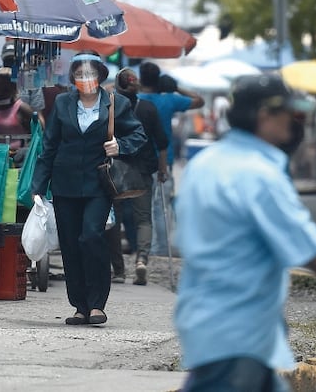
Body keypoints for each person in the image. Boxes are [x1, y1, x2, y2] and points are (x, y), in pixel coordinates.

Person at [174, 74, 316, 391]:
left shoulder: (203, 164)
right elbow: (315, 252)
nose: (294, 121)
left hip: (213, 328)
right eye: (288, 113)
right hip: (238, 337)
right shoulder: (258, 174)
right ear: (265, 115)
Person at [31, 51, 146, 326]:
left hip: (98, 184)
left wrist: (121, 146)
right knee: (70, 245)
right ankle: (80, 307)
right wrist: (38, 185)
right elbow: (49, 146)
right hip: (64, 183)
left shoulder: (115, 105)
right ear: (72, 78)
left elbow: (139, 135)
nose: (85, 79)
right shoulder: (62, 103)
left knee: (91, 237)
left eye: (90, 73)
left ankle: (97, 304)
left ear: (100, 76)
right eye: (80, 74)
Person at [104, 68, 168, 286]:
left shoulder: (111, 106)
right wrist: (162, 169)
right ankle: (141, 259)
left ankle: (119, 270)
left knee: (114, 219)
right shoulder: (148, 108)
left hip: (115, 170)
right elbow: (162, 142)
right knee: (143, 218)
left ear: (118, 86)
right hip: (143, 169)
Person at [137, 62, 203, 256]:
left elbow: (107, 91)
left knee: (142, 209)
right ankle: (161, 250)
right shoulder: (169, 100)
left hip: (139, 162)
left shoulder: (135, 99)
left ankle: (144, 250)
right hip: (164, 161)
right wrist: (176, 87)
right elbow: (199, 101)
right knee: (161, 208)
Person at [0, 40, 46, 112]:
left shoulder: (32, 81)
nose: (10, 65)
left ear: (22, 59)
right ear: (2, 58)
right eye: (7, 60)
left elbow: (37, 113)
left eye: (14, 61)